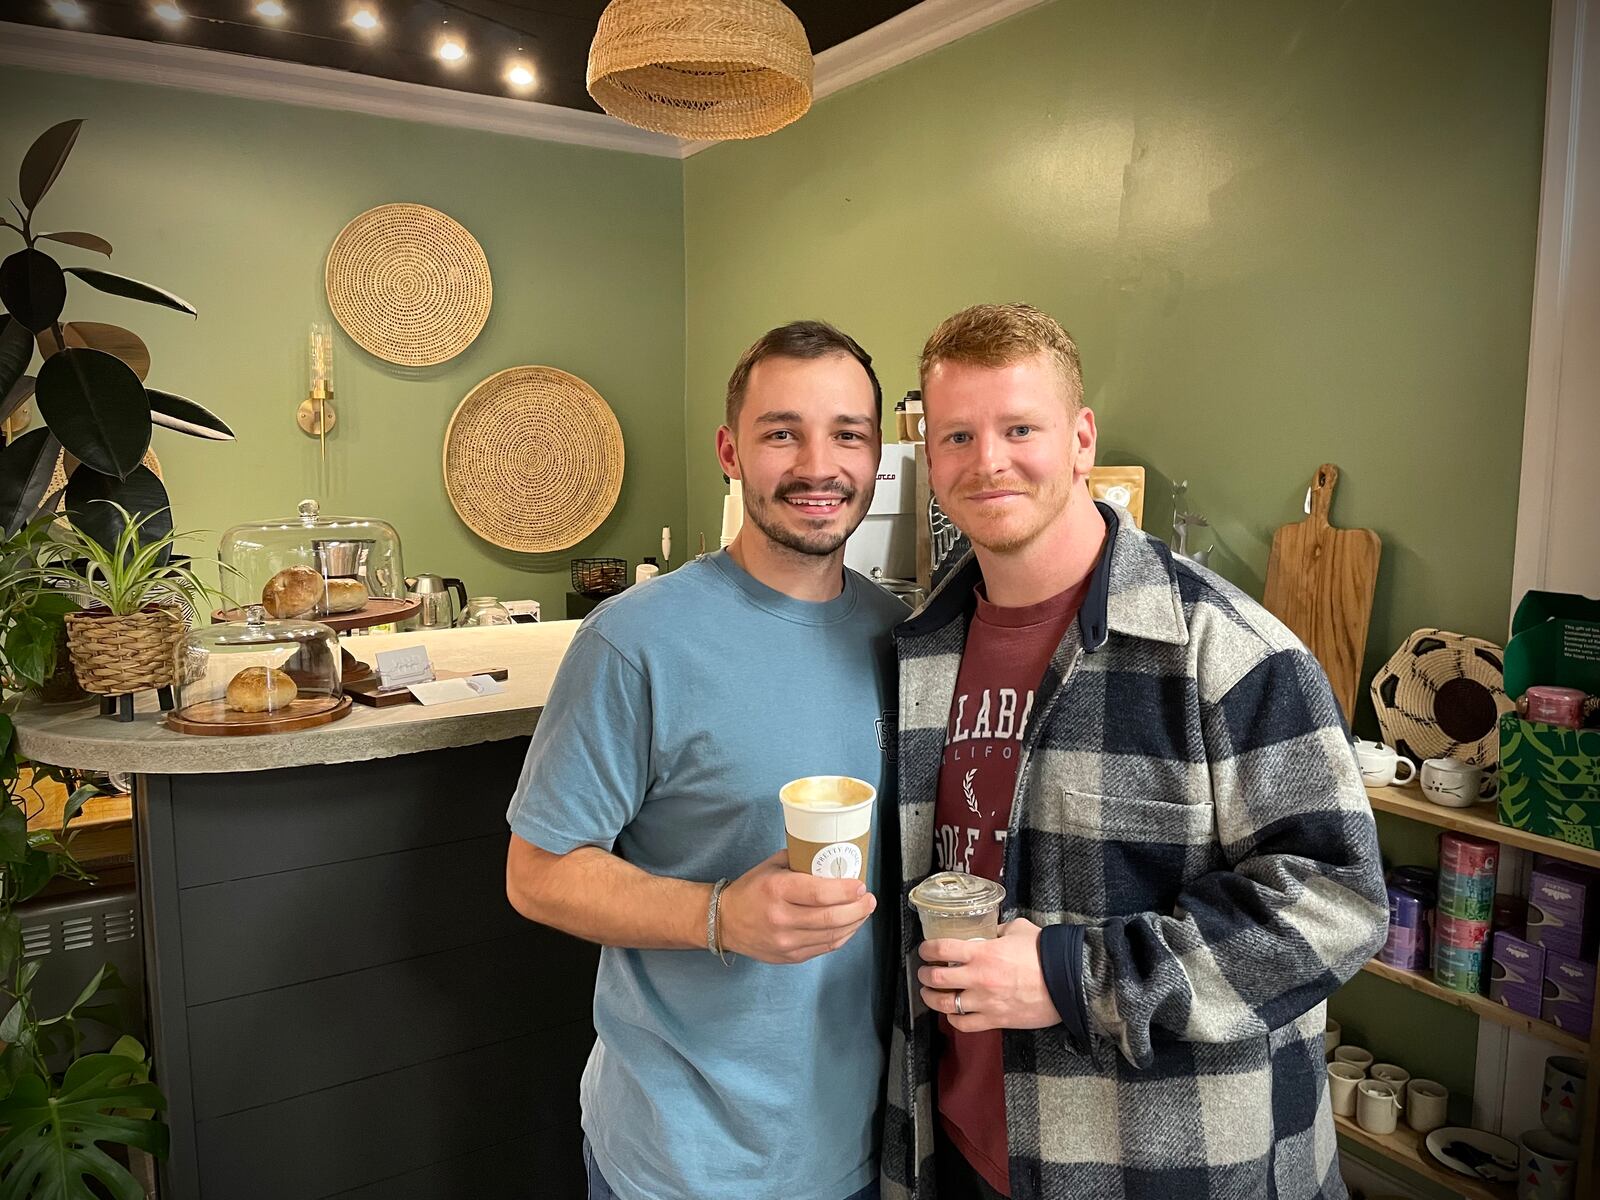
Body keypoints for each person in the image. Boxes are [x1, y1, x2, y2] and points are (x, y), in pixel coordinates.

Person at [881, 303, 1388, 1200]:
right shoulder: (921, 645)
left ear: (1081, 439)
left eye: (1020, 428)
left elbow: (1335, 906)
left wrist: (1074, 978)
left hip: (1158, 1166)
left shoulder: (1233, 655)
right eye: (957, 434)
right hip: (954, 1144)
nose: (987, 460)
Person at [506, 320, 907, 1200]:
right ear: (730, 450)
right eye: (781, 432)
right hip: (681, 1161)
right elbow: (536, 874)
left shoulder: (903, 639)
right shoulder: (635, 642)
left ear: (879, 455)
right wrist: (719, 915)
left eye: (848, 433)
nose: (817, 464)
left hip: (863, 1152)